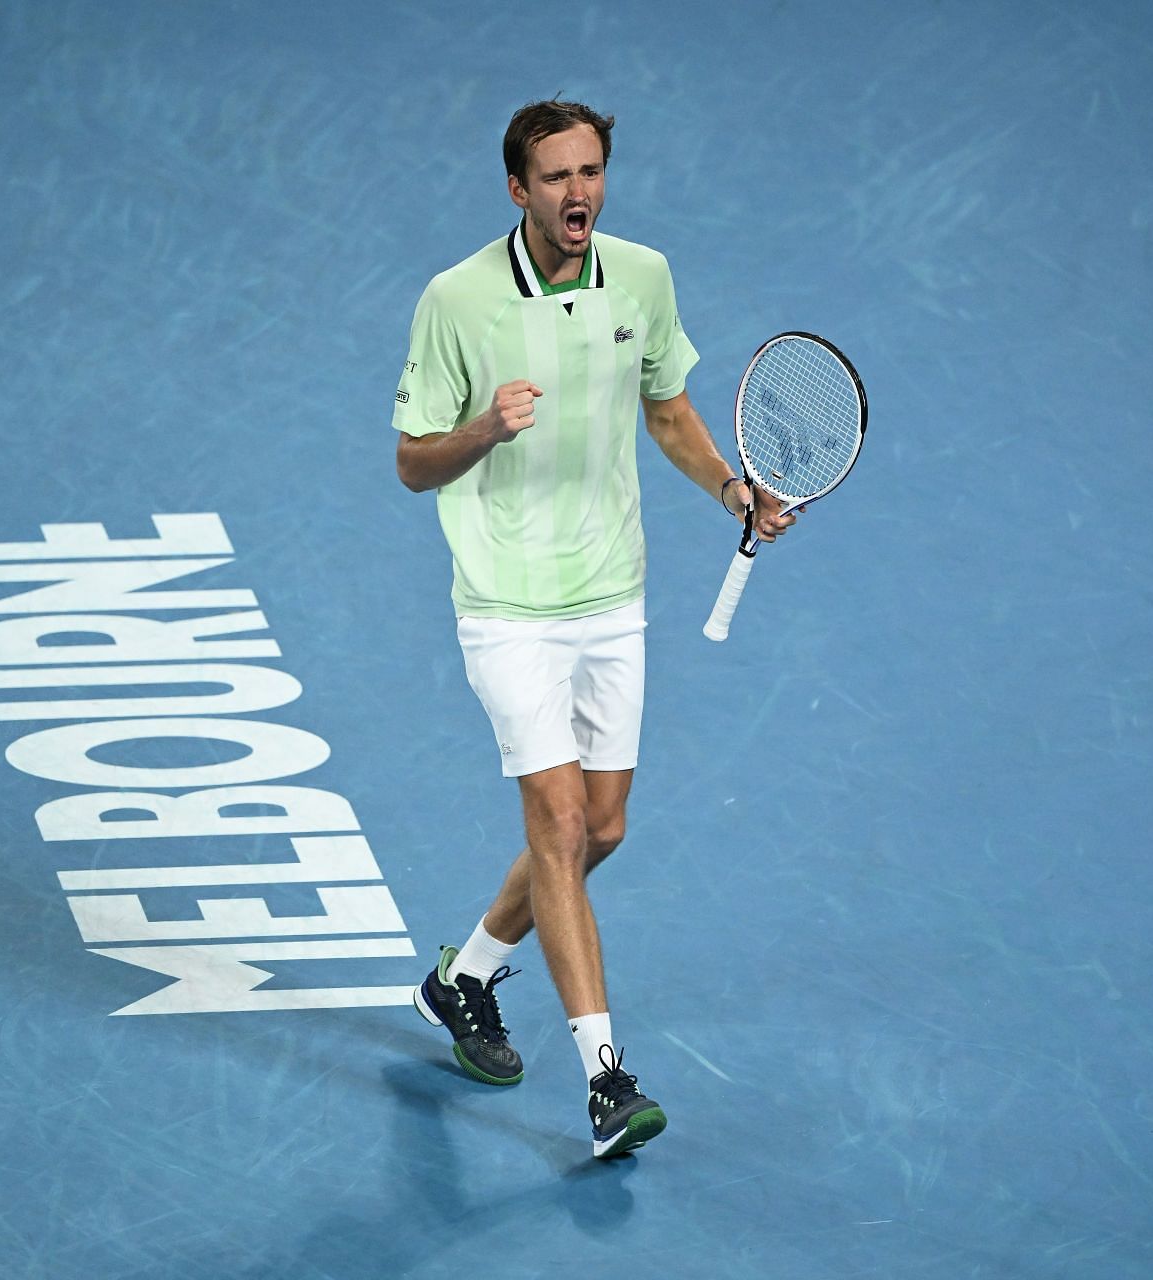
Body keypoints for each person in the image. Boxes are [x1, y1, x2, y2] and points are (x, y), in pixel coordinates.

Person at [392, 98, 795, 1159]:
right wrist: (484, 426)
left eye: (593, 172)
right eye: (557, 176)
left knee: (603, 828)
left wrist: (731, 489)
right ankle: (607, 1076)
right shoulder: (457, 300)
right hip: (508, 605)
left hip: (613, 594)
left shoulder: (643, 277)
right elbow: (411, 460)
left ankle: (461, 976)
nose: (580, 193)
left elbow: (667, 410)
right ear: (517, 189)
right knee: (560, 824)